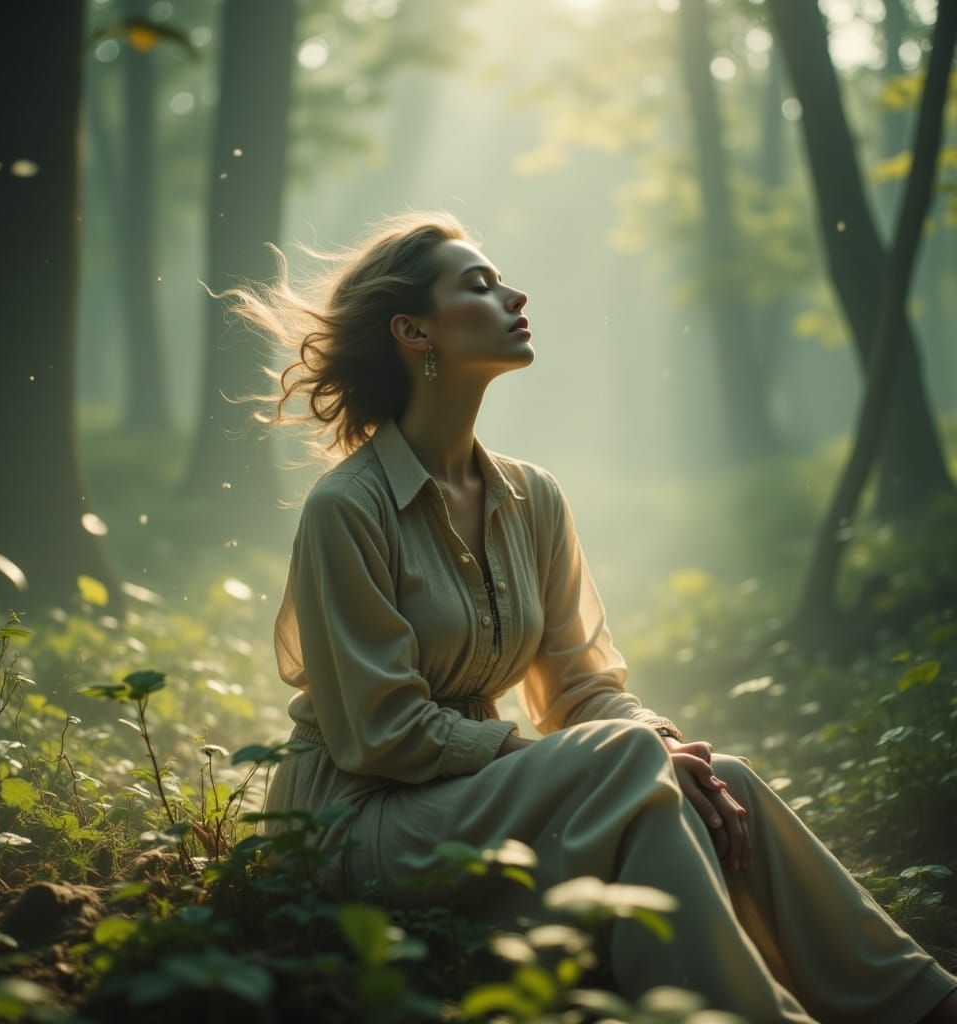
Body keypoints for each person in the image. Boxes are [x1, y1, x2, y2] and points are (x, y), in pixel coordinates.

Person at [225, 211, 957, 1023]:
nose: (514, 293)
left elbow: (580, 684)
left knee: (723, 785)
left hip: (467, 795)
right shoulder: (347, 510)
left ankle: (919, 1005)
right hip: (358, 818)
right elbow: (382, 731)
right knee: (627, 759)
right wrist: (599, 754)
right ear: (412, 331)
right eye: (479, 284)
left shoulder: (531, 497)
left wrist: (668, 750)